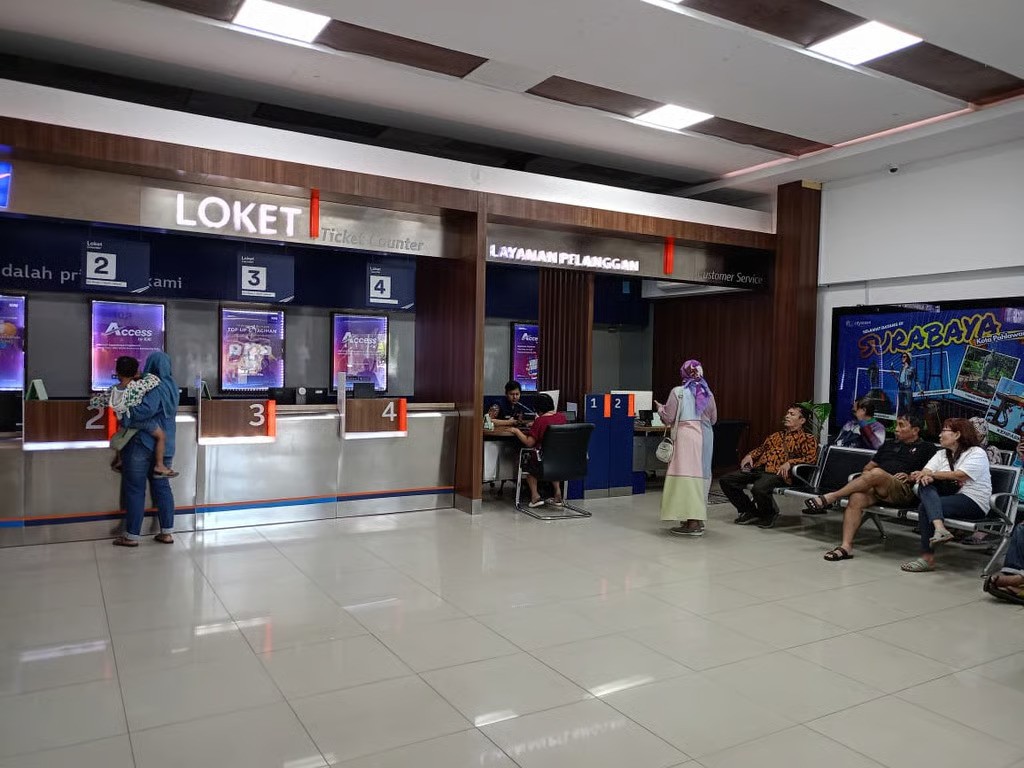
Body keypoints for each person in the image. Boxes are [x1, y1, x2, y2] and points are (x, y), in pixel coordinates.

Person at [812, 412, 936, 560]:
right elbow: (867, 468)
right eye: (896, 425)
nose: (896, 429)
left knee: (877, 473)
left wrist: (910, 477)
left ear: (915, 430)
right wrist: (869, 479)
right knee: (856, 497)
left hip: (904, 489)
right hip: (878, 487)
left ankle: (833, 496)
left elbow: (930, 474)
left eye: (901, 425)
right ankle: (846, 546)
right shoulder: (889, 444)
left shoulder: (927, 448)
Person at [900, 417, 992, 572]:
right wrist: (925, 475)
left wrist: (932, 475)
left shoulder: (976, 453)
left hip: (973, 501)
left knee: (924, 506)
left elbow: (960, 475)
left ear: (957, 434)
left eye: (944, 431)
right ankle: (940, 528)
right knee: (924, 484)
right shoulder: (942, 454)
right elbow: (926, 471)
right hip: (949, 497)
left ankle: (927, 558)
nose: (940, 435)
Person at [111, 352, 179, 548]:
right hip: (165, 446)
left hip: (141, 443)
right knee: (162, 487)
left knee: (135, 489)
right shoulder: (172, 386)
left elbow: (144, 411)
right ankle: (167, 532)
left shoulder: (151, 385)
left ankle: (132, 535)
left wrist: (126, 416)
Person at [719, 405, 818, 529]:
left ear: (802, 420)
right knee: (726, 480)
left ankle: (768, 514)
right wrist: (750, 455)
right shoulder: (776, 435)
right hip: (760, 469)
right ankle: (749, 511)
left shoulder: (807, 439)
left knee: (759, 488)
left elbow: (811, 458)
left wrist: (790, 462)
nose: (787, 416)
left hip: (779, 473)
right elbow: (761, 449)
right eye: (787, 413)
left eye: (792, 414)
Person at [653, 359, 717, 536]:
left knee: (686, 478)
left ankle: (692, 523)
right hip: (706, 438)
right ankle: (698, 518)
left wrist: (660, 409)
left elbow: (669, 417)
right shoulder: (707, 392)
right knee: (702, 476)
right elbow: (714, 419)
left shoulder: (678, 392)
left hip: (687, 438)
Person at [90, 355, 178, 478]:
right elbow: (153, 382)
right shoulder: (139, 386)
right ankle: (159, 465)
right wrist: (143, 375)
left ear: (117, 372)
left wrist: (94, 401)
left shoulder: (114, 389)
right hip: (140, 423)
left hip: (123, 419)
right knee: (161, 436)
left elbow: (98, 401)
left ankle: (119, 460)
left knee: (122, 434)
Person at [508, 392, 566, 508]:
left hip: (541, 460)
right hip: (559, 460)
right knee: (553, 468)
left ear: (538, 409)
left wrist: (516, 431)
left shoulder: (540, 421)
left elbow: (529, 442)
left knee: (529, 470)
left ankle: (535, 497)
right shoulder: (562, 417)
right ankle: (558, 493)